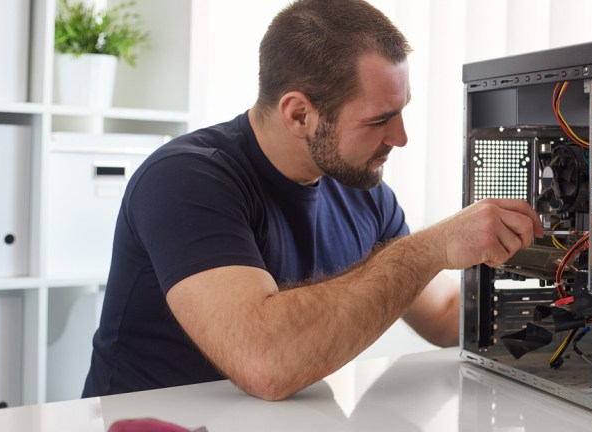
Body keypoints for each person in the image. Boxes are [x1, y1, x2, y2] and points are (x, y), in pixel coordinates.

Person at [82, 0, 543, 401]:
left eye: (402, 111)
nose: (400, 138)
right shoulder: (186, 180)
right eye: (380, 119)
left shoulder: (365, 193)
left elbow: (445, 319)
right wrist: (432, 246)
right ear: (300, 114)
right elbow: (266, 362)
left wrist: (578, 295)